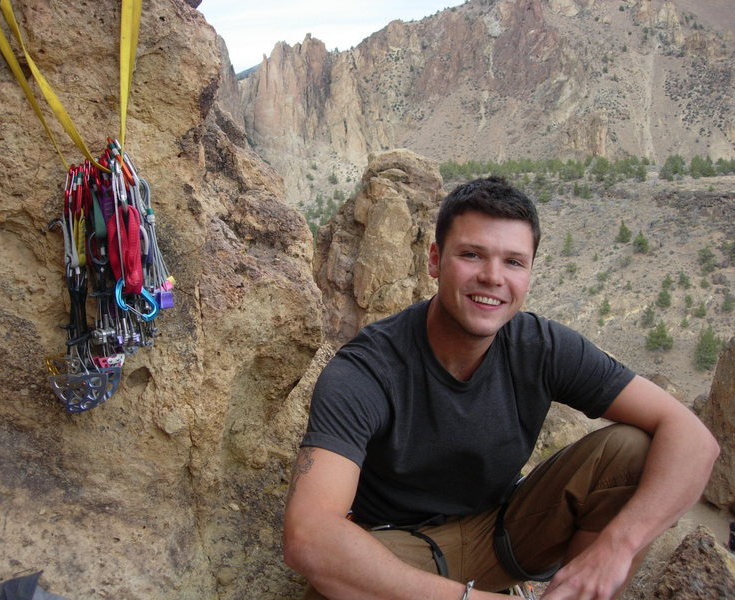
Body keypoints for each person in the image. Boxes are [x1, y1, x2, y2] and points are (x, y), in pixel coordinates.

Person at [283, 177, 720, 600]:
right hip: (399, 545)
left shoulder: (542, 346)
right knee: (333, 584)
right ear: (435, 261)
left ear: (529, 272)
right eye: (472, 255)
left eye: (513, 261)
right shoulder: (367, 371)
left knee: (632, 450)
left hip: (501, 530)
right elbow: (310, 536)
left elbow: (694, 440)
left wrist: (616, 547)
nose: (493, 277)